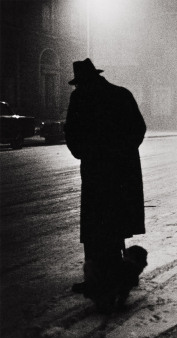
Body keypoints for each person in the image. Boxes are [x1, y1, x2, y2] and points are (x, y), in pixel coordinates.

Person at [65, 58, 147, 312]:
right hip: (121, 171)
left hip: (96, 170)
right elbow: (138, 128)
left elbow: (72, 134)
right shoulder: (121, 95)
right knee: (115, 223)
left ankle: (99, 278)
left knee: (96, 225)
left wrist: (85, 153)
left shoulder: (80, 99)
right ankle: (115, 273)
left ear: (84, 81)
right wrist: (122, 152)